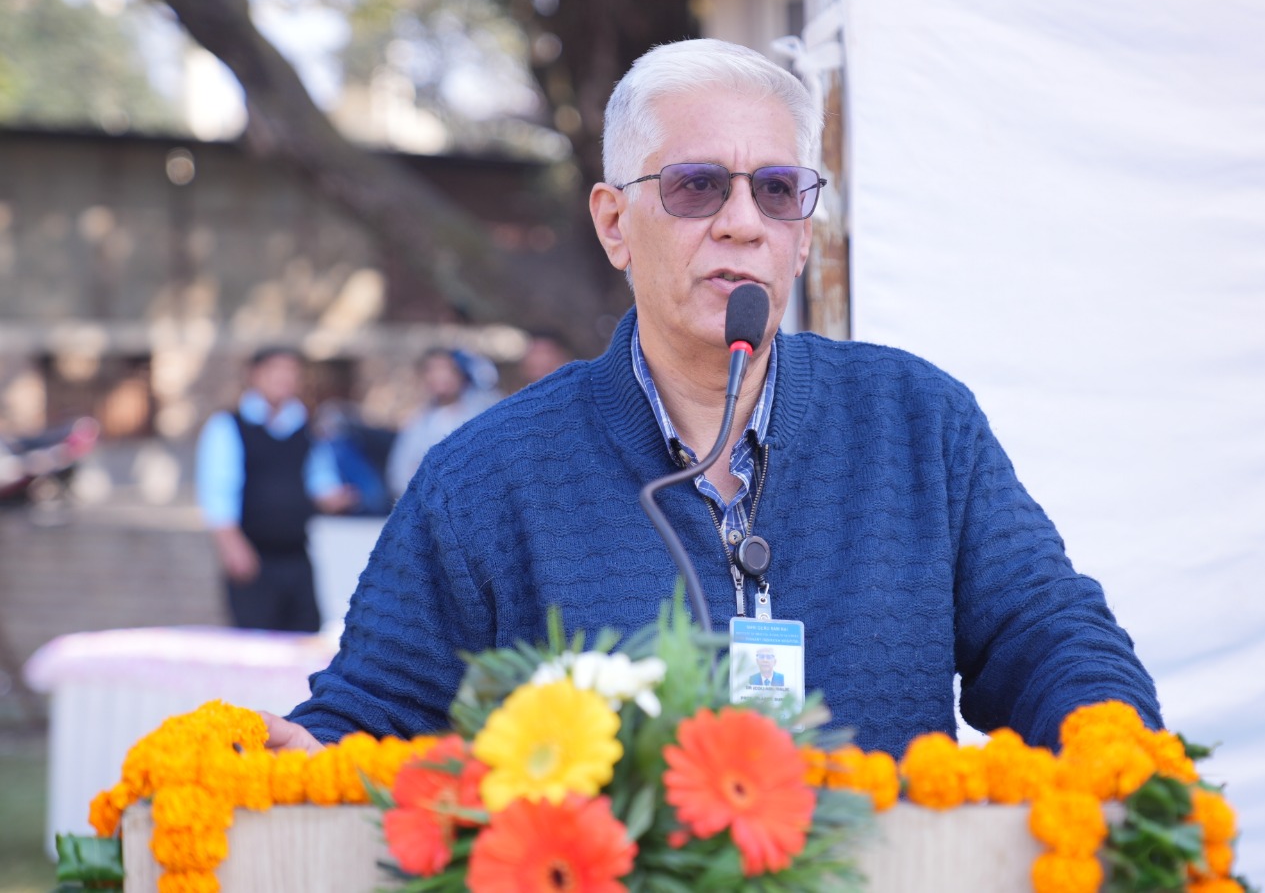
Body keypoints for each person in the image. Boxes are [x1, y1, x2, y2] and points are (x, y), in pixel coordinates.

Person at [268, 39, 1160, 756]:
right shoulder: (484, 476)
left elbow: (1050, 638)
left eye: (777, 191)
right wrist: (297, 757)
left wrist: (1115, 747)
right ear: (614, 223)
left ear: (802, 236)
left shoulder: (920, 423)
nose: (742, 222)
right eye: (697, 186)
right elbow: (372, 719)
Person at [195, 347, 357, 632]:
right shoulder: (228, 426)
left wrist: (337, 498)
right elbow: (218, 491)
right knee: (256, 642)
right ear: (254, 375)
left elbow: (320, 480)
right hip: (254, 556)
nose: (284, 379)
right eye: (276, 371)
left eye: (292, 372)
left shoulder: (308, 428)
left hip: (298, 555)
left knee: (304, 638)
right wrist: (232, 545)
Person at [385, 347, 501, 499]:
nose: (438, 376)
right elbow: (398, 474)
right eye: (431, 370)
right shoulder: (417, 422)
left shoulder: (482, 414)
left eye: (445, 369)